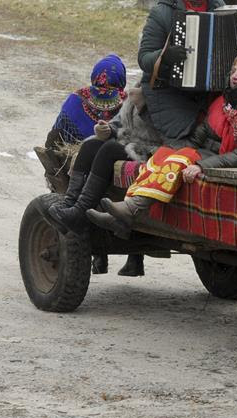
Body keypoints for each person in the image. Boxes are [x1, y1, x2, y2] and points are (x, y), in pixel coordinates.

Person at [88, 52, 237, 237]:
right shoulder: (227, 103)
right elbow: (199, 137)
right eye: (233, 71)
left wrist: (202, 165)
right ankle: (127, 211)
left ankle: (132, 209)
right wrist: (170, 150)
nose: (235, 76)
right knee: (167, 154)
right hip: (226, 157)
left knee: (179, 159)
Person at [44, 86, 163, 276]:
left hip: (155, 149)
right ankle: (70, 204)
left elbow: (165, 130)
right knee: (91, 144)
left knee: (108, 150)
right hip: (132, 141)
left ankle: (78, 212)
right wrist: (108, 129)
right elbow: (120, 122)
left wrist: (143, 108)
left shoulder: (165, 97)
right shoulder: (142, 90)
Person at [136, 0, 225, 145]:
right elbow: (144, 58)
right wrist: (165, 57)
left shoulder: (220, 8)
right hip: (170, 91)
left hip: (211, 89)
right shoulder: (162, 13)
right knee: (189, 143)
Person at [45, 54, 127, 149]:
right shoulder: (128, 102)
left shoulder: (76, 98)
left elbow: (56, 133)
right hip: (111, 153)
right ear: (122, 79)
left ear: (95, 76)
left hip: (78, 152)